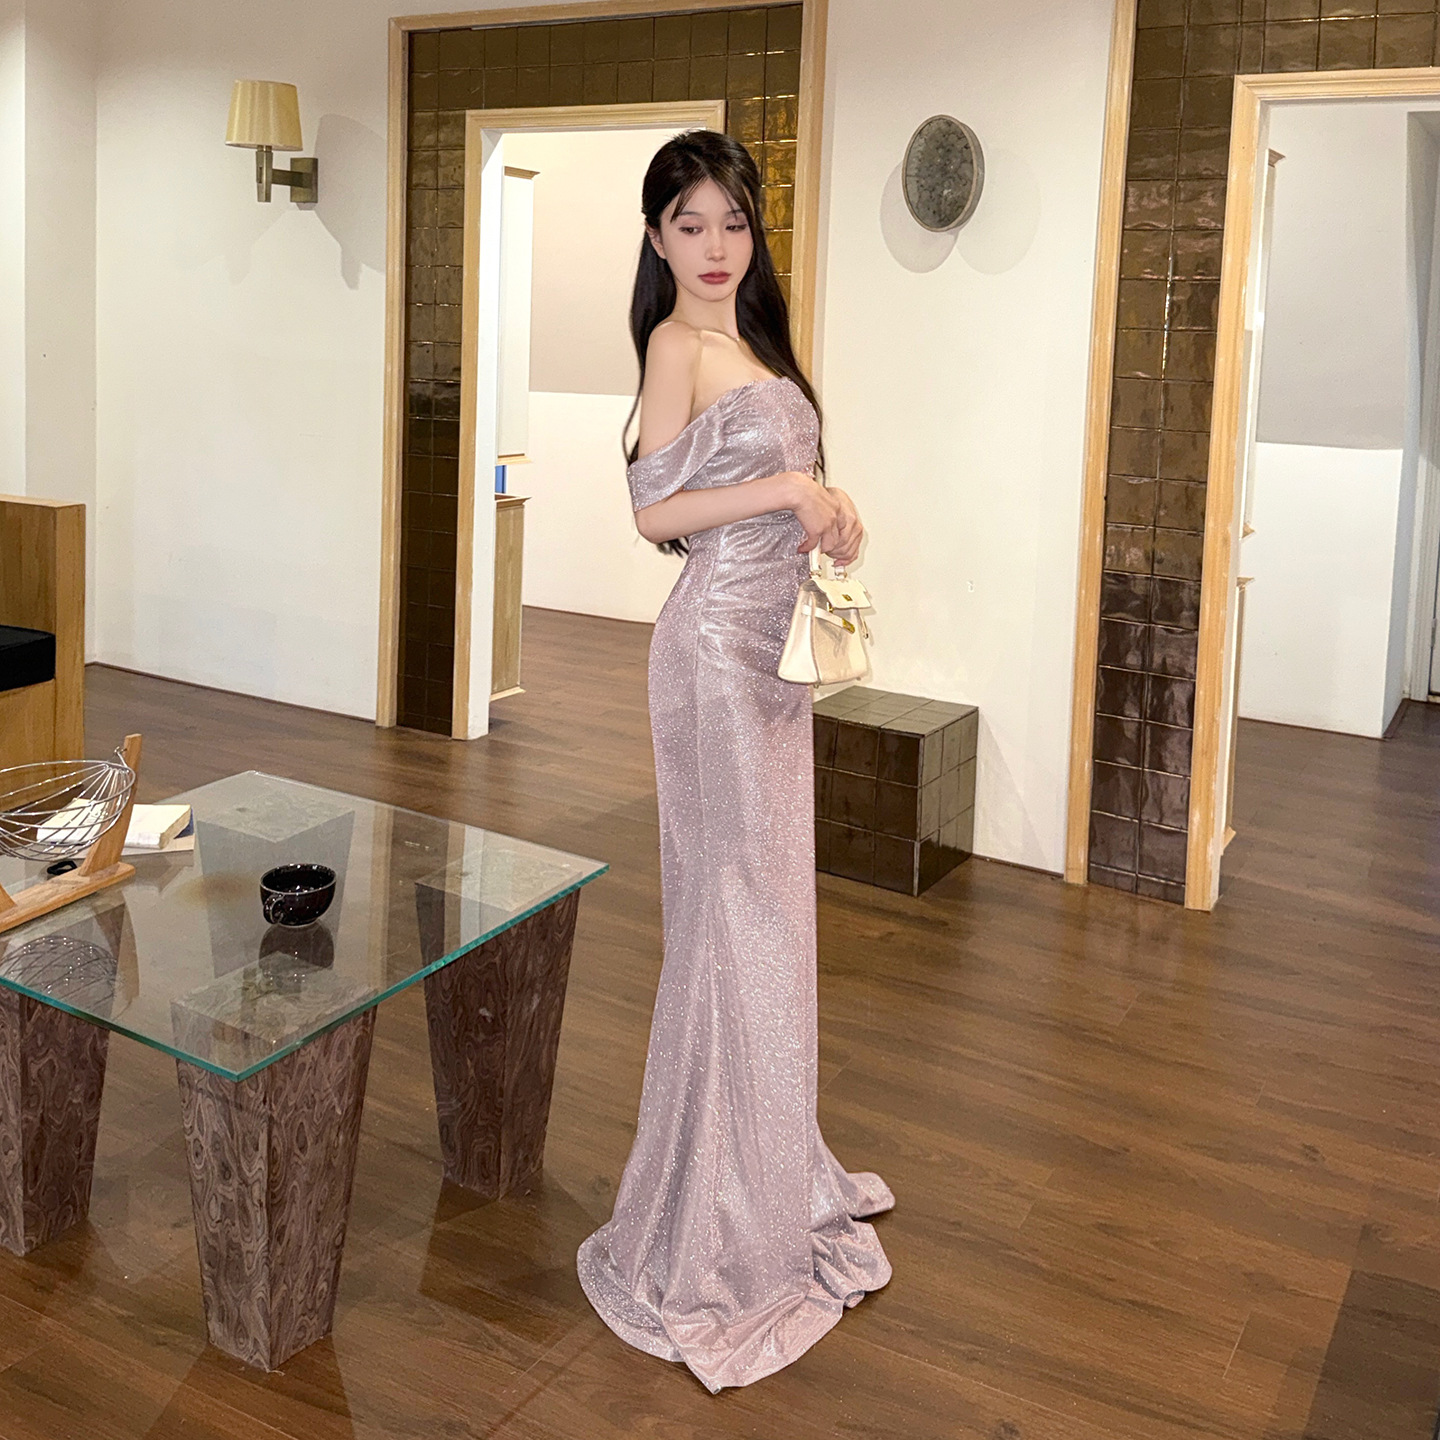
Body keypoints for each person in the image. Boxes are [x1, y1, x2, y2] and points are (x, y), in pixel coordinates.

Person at [575, 128, 893, 1393]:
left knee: (769, 911)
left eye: (733, 223)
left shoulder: (754, 342)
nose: (715, 247)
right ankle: (709, 1220)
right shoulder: (676, 345)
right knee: (732, 913)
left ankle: (764, 1167)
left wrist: (831, 508)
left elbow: (778, 481)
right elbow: (653, 511)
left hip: (773, 655)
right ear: (657, 239)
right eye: (690, 224)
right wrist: (784, 495)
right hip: (710, 656)